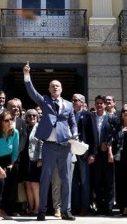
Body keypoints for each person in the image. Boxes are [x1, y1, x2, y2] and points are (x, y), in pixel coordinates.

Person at [23, 62, 77, 221]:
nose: (55, 88)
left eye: (58, 86)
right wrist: (27, 75)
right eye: (52, 86)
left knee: (66, 179)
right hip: (48, 146)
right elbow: (32, 92)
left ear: (61, 89)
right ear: (48, 89)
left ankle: (66, 210)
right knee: (45, 178)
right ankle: (42, 211)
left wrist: (74, 133)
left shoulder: (68, 104)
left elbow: (73, 122)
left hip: (65, 145)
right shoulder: (44, 101)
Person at [0, 111, 20, 220]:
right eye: (7, 120)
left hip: (8, 160)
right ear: (1, 122)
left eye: (11, 119)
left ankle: (3, 209)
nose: (10, 122)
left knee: (11, 182)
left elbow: (15, 152)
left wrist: (11, 164)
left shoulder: (15, 133)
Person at [90, 94, 115, 216]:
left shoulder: (111, 118)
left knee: (109, 182)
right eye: (97, 103)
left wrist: (108, 144)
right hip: (96, 154)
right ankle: (100, 207)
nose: (99, 105)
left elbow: (115, 134)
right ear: (95, 105)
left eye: (101, 103)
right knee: (98, 182)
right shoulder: (91, 118)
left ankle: (109, 208)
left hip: (107, 154)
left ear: (105, 105)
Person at [70, 93, 93, 216]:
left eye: (76, 100)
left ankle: (84, 206)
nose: (73, 102)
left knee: (84, 181)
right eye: (72, 100)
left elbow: (93, 135)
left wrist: (92, 153)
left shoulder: (88, 115)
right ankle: (75, 206)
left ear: (82, 103)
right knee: (73, 181)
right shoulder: (69, 115)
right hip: (71, 152)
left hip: (84, 153)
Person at [23, 109, 42, 216]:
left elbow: (42, 142)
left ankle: (37, 208)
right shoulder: (25, 128)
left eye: (34, 115)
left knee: (35, 184)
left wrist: (40, 158)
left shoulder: (39, 127)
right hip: (25, 159)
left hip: (35, 159)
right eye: (29, 116)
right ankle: (31, 207)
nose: (32, 117)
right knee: (28, 184)